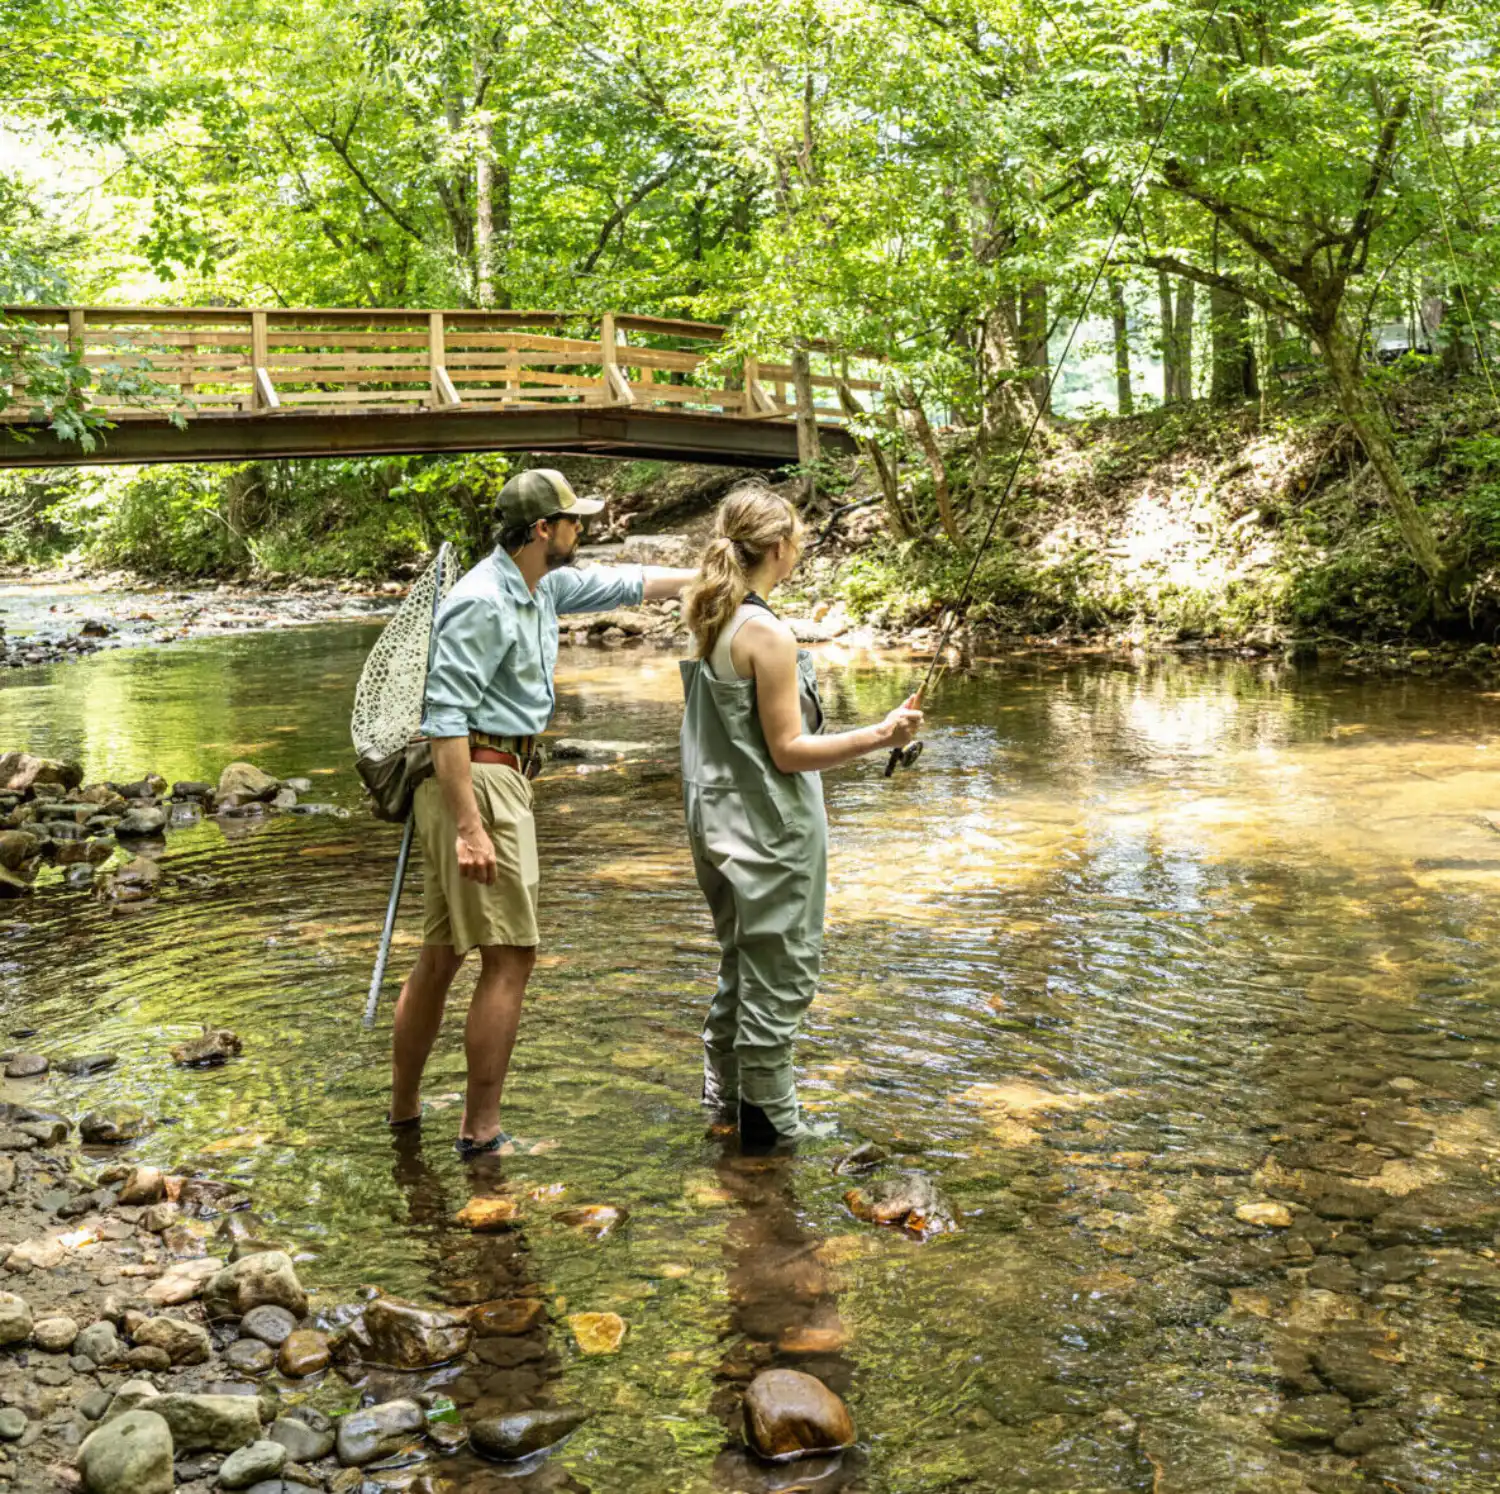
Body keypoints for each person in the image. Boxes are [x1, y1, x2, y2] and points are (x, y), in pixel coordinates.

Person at [391, 468, 696, 1156]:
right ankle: (481, 1132)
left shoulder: (541, 585)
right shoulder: (481, 600)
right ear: (541, 531)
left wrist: (710, 572)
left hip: (489, 778)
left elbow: (630, 584)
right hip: (480, 778)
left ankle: (405, 1117)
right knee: (512, 957)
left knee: (441, 955)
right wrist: (471, 827)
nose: (581, 529)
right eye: (572, 520)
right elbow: (445, 720)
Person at [679, 482, 923, 1148]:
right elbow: (789, 752)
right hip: (769, 834)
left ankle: (724, 1105)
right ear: (780, 548)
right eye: (797, 542)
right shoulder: (766, 633)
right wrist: (883, 734)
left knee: (741, 965)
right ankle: (771, 1131)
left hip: (717, 828)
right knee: (779, 978)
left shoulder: (713, 617)